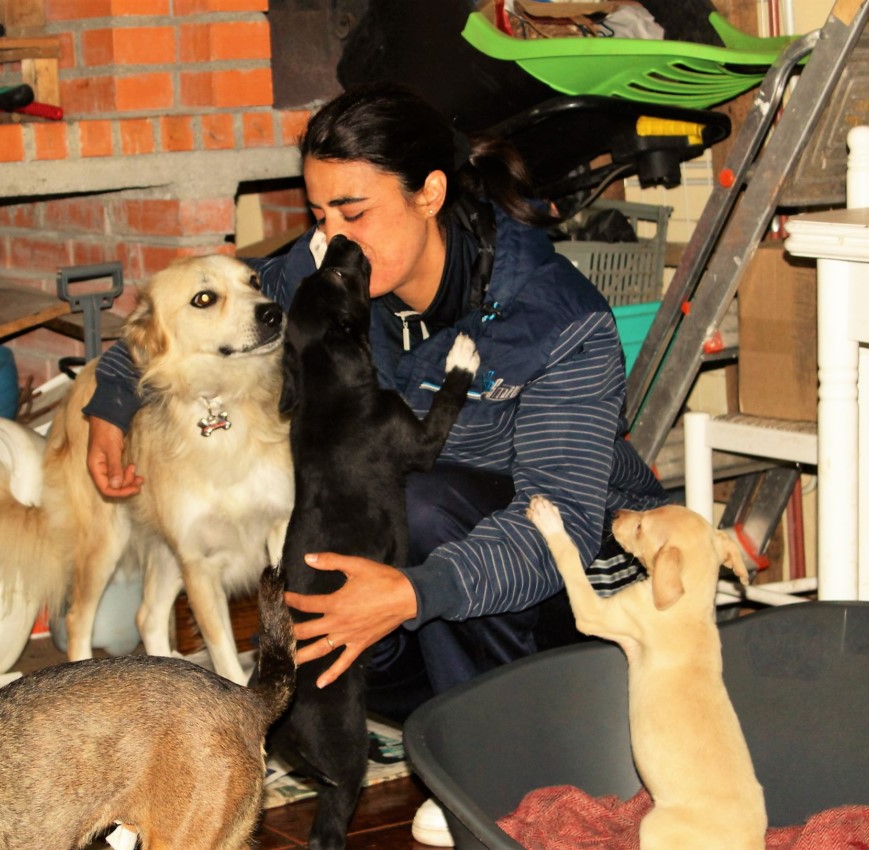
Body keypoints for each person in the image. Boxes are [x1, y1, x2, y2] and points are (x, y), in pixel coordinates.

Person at [84, 79, 667, 728]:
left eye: (353, 213)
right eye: (319, 215)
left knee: (420, 504)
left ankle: (494, 745)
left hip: (582, 581)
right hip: (436, 568)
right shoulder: (336, 269)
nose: (332, 239)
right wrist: (112, 401)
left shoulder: (557, 319)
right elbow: (197, 316)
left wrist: (414, 592)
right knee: (327, 550)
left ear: (430, 194)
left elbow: (559, 527)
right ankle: (432, 715)